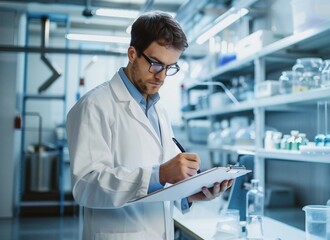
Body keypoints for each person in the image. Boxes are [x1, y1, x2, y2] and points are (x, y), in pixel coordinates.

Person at [66, 11, 233, 240]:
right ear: (132, 54)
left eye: (170, 67)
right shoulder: (94, 106)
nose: (161, 76)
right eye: (155, 64)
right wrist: (161, 172)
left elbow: (161, 185)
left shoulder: (158, 111)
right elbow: (86, 186)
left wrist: (193, 193)